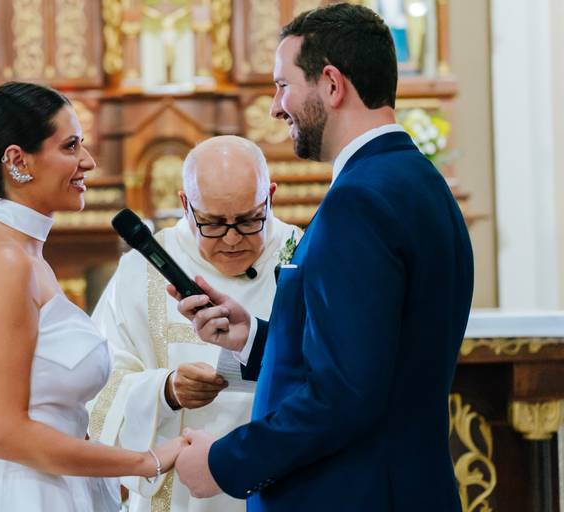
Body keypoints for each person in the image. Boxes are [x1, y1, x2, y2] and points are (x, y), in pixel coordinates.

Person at [171, 4, 473, 511]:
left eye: (283, 85)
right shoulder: (420, 181)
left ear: (331, 84)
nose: (275, 107)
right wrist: (252, 338)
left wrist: (222, 463)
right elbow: (374, 360)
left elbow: (344, 395)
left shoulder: (359, 201)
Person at [0, 82, 186, 512]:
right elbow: (4, 434)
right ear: (18, 160)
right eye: (70, 146)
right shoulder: (1, 262)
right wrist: (145, 461)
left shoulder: (26, 256)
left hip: (58, 488)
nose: (88, 161)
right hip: (22, 495)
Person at [89, 135, 300, 512]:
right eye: (213, 223)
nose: (232, 239)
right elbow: (96, 386)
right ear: (185, 204)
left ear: (270, 196)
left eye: (249, 219)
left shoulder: (302, 255)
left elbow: (332, 376)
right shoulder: (142, 269)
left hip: (279, 486)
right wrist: (166, 390)